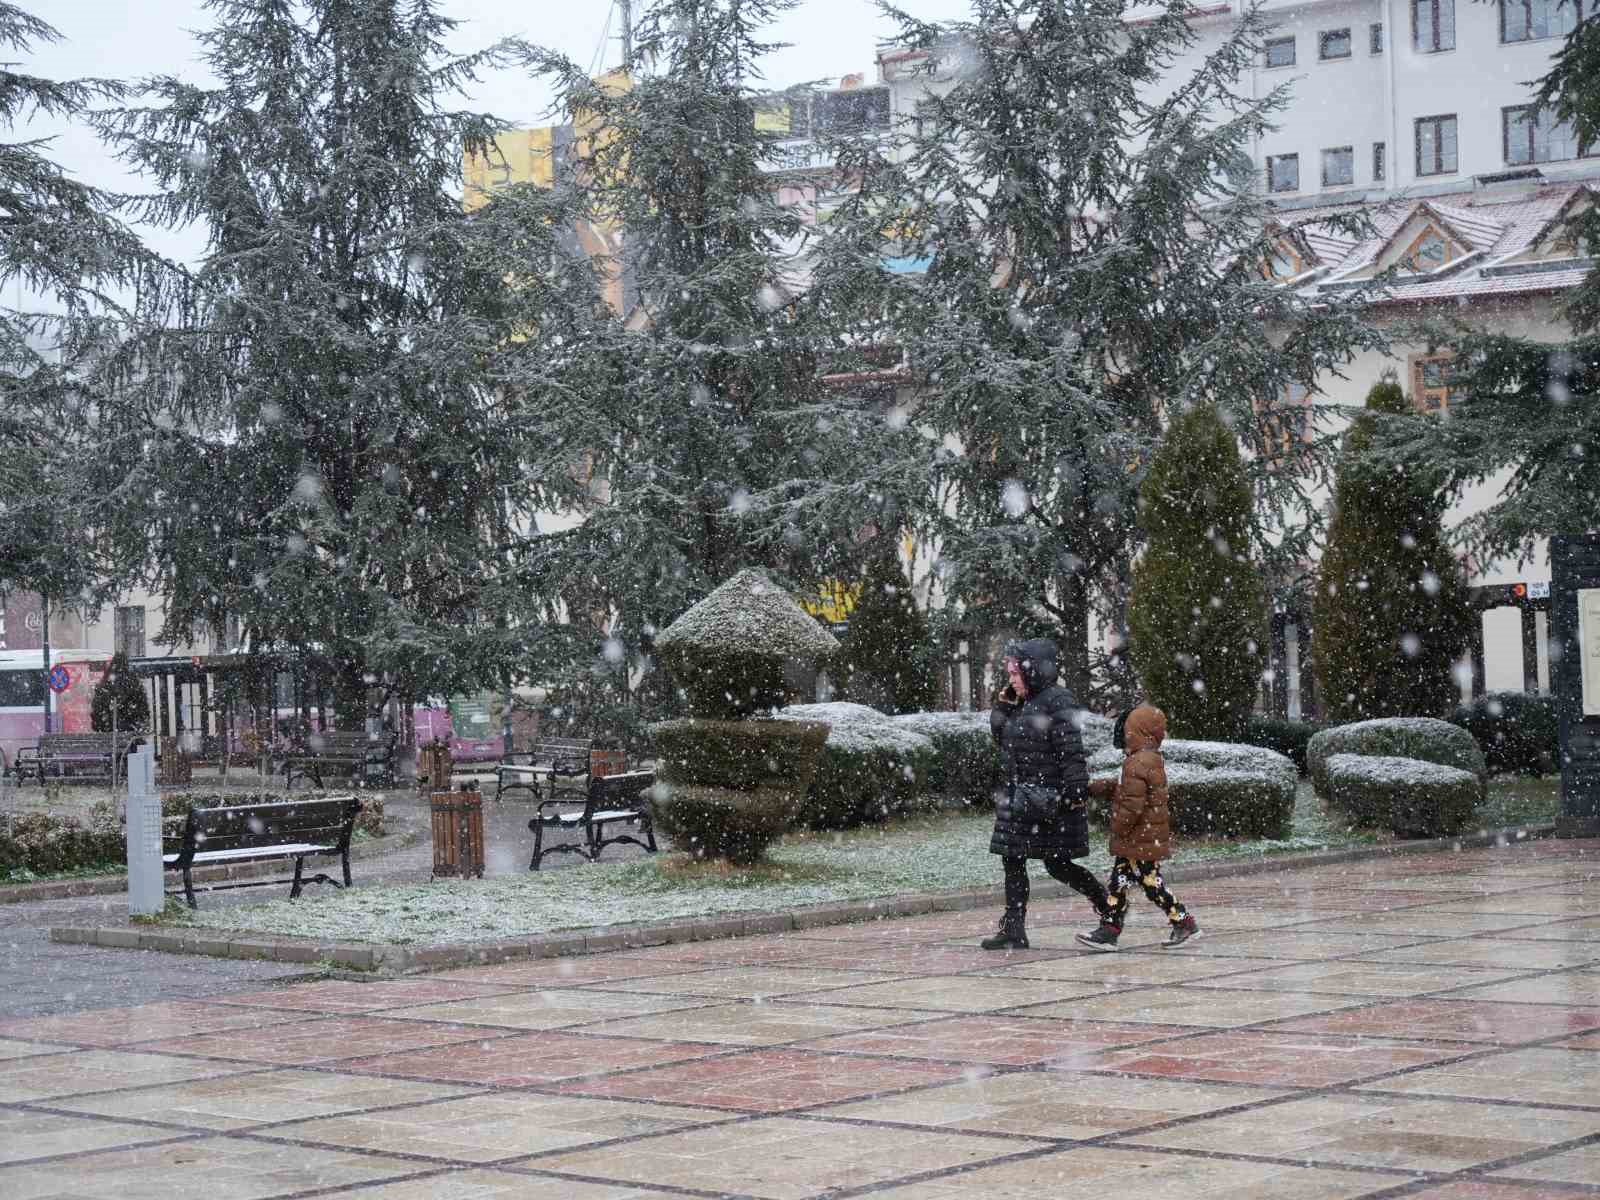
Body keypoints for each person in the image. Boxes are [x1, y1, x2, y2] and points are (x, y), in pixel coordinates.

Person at [980, 638, 1118, 950]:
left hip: (1049, 800)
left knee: (1058, 864)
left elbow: (1071, 751)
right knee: (1012, 859)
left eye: (1015, 673)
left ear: (1031, 670)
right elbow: (1000, 735)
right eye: (1010, 673)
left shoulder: (1057, 700)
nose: (1011, 678)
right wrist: (1003, 704)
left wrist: (1074, 792)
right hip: (1018, 798)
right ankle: (1013, 929)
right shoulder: (1021, 701)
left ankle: (1108, 906)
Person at [1076, 703, 1201, 951]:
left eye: (1128, 730)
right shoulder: (1148, 759)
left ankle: (1183, 921)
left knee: (1150, 883)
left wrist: (1118, 829)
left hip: (1137, 838)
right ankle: (1109, 929)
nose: (1124, 735)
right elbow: (1128, 788)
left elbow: (1132, 804)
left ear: (1138, 732)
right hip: (1143, 836)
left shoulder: (1136, 763)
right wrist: (1097, 787)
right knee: (1120, 883)